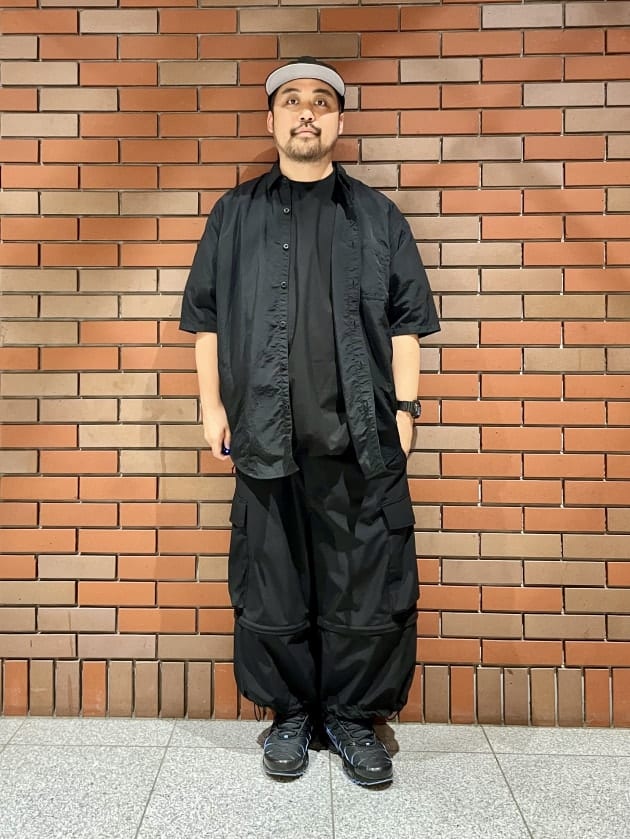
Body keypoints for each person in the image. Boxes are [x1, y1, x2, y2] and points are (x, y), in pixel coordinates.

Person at [179, 56, 440, 787]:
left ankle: (354, 719)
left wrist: (406, 409)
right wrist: (211, 406)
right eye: (291, 100)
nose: (305, 112)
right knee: (273, 582)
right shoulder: (234, 216)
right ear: (271, 120)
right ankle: (290, 714)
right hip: (265, 436)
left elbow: (407, 323)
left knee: (365, 583)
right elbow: (205, 320)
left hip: (362, 438)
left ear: (338, 122)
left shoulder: (379, 217)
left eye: (321, 102)